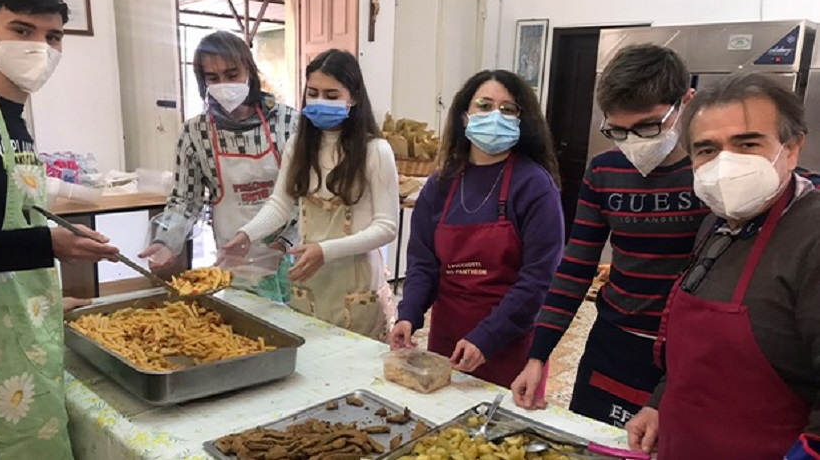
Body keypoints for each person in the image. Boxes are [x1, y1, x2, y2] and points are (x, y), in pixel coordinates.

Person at [625, 73, 820, 459]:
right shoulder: (717, 224)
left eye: (747, 143)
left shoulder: (811, 236)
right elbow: (699, 353)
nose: (726, 163)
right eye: (708, 149)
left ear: (793, 147)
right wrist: (661, 403)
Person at [511, 44, 707, 426]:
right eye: (618, 130)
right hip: (613, 340)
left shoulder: (711, 177)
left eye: (648, 126)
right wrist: (539, 355)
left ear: (686, 103)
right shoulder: (603, 171)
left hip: (684, 349)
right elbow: (575, 266)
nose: (634, 141)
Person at [0, 0, 119, 460]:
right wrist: (48, 245)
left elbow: (2, 224)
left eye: (52, 36)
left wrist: (44, 303)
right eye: (21, 30)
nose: (41, 46)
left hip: (11, 328)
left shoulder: (14, 122)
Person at [389, 70, 564, 388]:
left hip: (509, 342)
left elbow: (539, 280)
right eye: (483, 105)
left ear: (521, 121)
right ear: (464, 117)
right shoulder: (440, 184)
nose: (495, 115)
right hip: (447, 340)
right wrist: (408, 314)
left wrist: (488, 336)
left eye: (508, 109)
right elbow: (423, 263)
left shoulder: (535, 185)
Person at [223, 49, 398, 339]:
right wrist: (246, 234)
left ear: (353, 97)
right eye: (313, 93)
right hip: (310, 278)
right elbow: (281, 203)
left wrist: (325, 250)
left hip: (355, 284)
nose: (320, 102)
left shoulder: (375, 151)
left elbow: (386, 227)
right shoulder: (299, 145)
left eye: (332, 96)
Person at [139, 31, 299, 302]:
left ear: (249, 70)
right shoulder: (196, 132)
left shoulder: (287, 122)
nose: (224, 84)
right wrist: (166, 240)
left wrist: (283, 244)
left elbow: (306, 195)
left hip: (291, 252)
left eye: (232, 74)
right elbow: (185, 200)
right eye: (213, 78)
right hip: (234, 258)